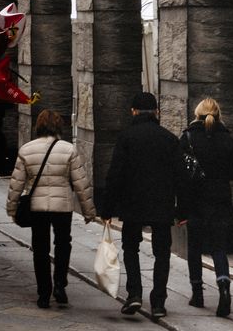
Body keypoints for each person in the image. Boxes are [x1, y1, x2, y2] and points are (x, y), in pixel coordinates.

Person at [100, 91, 187, 320]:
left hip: (132, 204)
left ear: (133, 111)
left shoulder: (127, 137)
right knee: (162, 253)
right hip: (162, 204)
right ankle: (158, 302)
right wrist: (183, 209)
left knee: (131, 249)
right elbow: (181, 177)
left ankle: (134, 294)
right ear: (156, 112)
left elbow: (114, 175)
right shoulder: (169, 139)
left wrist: (107, 209)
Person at [6, 109, 95, 309]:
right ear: (58, 126)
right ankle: (60, 286)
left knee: (40, 249)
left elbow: (16, 183)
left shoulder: (27, 150)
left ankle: (43, 293)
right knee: (63, 244)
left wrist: (12, 208)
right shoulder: (68, 149)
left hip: (37, 207)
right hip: (62, 206)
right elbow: (81, 182)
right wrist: (89, 210)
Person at [180, 97, 233, 318]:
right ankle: (224, 287)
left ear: (197, 114)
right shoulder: (228, 139)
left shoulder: (188, 137)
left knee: (194, 248)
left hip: (195, 201)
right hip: (220, 200)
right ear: (218, 115)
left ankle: (197, 293)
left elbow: (180, 174)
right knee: (219, 247)